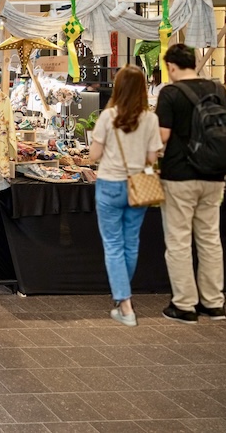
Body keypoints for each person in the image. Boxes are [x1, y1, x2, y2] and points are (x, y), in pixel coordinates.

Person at [156, 44, 226, 323]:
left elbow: (162, 136)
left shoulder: (170, 93)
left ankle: (184, 305)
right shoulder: (218, 90)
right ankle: (214, 303)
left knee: (179, 239)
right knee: (210, 238)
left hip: (180, 175)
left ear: (172, 66)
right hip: (214, 175)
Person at [87, 65, 163, 327]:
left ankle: (125, 304)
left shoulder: (108, 116)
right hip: (138, 185)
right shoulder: (150, 119)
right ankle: (122, 298)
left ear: (118, 88)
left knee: (113, 244)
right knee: (131, 243)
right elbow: (152, 157)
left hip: (109, 184)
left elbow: (94, 156)